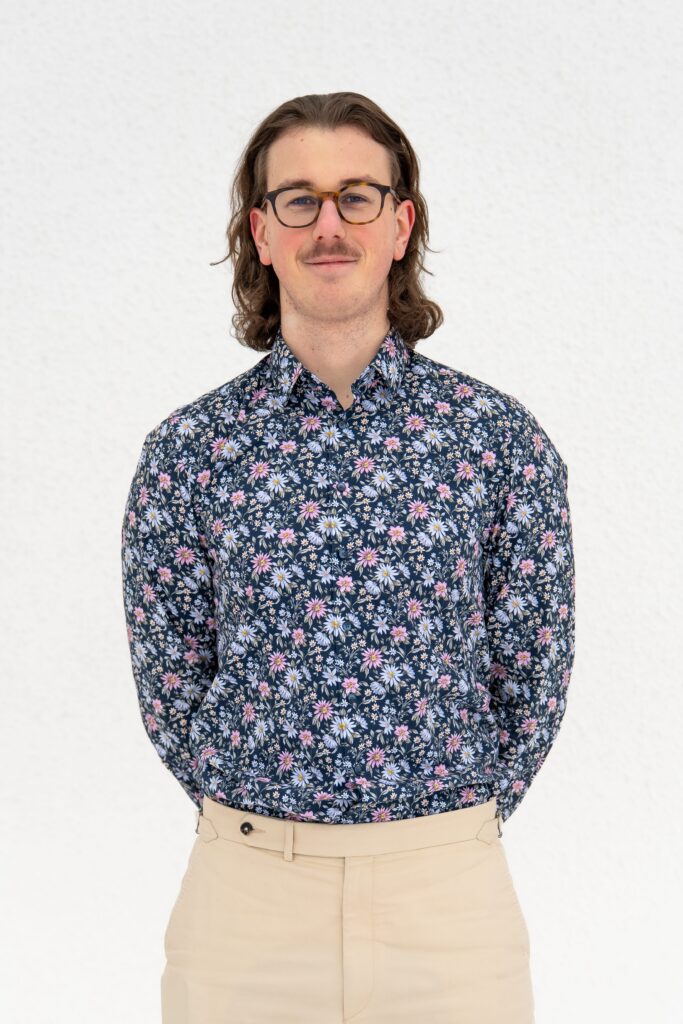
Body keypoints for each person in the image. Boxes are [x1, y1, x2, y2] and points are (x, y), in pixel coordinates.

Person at [120, 91, 575, 1024]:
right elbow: (170, 678)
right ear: (261, 231)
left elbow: (534, 667)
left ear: (400, 224)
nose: (328, 225)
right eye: (298, 200)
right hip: (246, 907)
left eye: (356, 197)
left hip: (448, 906)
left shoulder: (497, 441)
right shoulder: (190, 452)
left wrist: (452, 827)